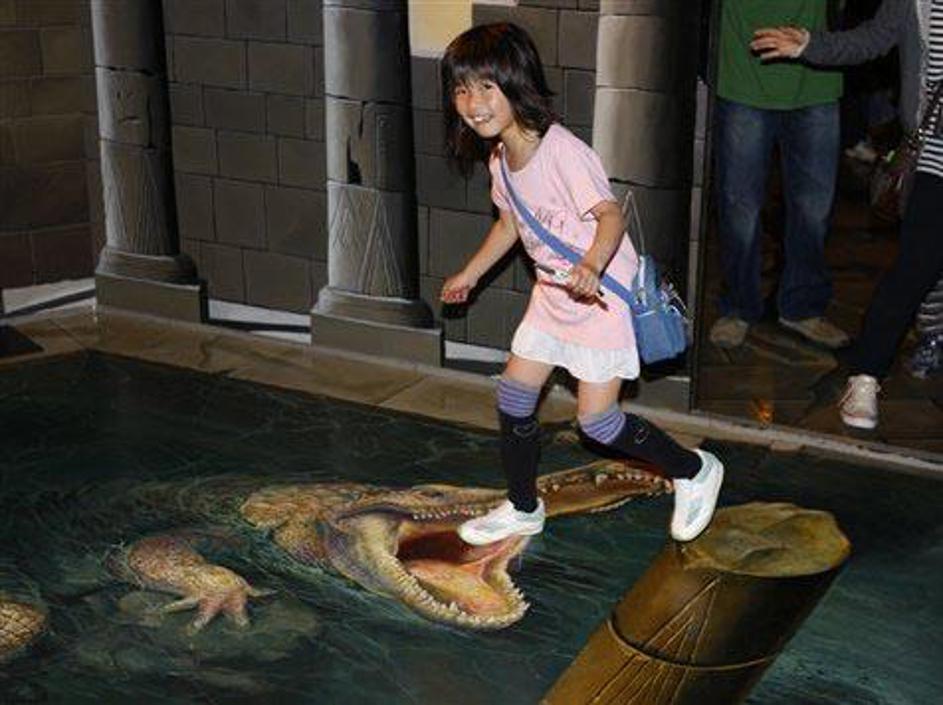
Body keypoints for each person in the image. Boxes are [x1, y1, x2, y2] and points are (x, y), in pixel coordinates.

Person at [438, 23, 724, 546]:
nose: (473, 104)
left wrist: (592, 264)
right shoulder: (500, 158)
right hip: (552, 297)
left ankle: (694, 469)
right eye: (461, 89)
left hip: (600, 302)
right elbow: (509, 226)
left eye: (486, 87)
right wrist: (470, 274)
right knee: (515, 396)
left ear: (517, 83)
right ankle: (524, 507)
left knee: (599, 424)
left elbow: (610, 215)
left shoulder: (562, 151)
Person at [751, 0, 943, 429]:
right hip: (937, 156)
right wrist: (809, 46)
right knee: (913, 271)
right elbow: (871, 39)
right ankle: (866, 376)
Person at [709, 0, 850, 350]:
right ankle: (738, 306)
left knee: (813, 211)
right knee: (739, 210)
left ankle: (803, 307)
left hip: (817, 80)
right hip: (742, 80)